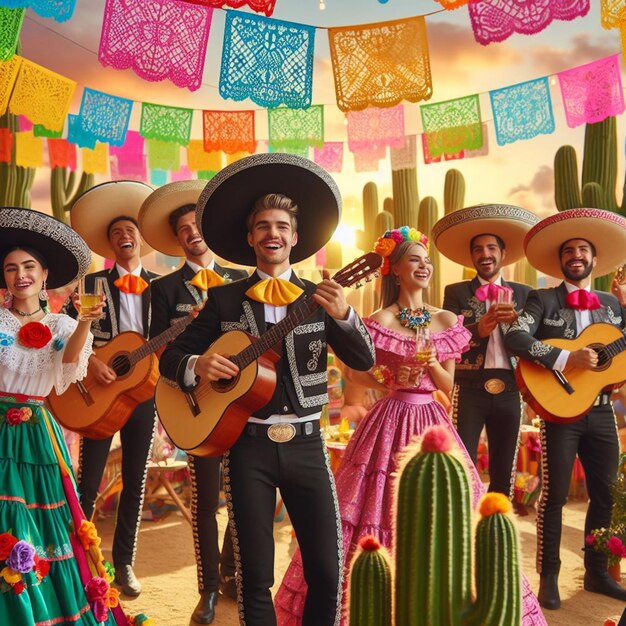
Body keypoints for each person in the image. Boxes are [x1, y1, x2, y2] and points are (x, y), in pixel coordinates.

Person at [275, 226, 547, 626]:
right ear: (395, 269)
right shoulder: (379, 319)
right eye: (414, 259)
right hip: (389, 419)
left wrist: (430, 363)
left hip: (433, 423)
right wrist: (388, 379)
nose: (424, 266)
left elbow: (452, 385)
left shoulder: (447, 318)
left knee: (446, 510)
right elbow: (353, 373)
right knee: (376, 507)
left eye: (427, 260)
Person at [159, 153, 376, 626]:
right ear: (250, 238)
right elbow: (169, 360)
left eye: (281, 225)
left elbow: (365, 360)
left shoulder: (320, 298)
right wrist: (199, 363)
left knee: (326, 566)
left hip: (306, 444)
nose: (272, 234)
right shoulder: (223, 298)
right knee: (253, 575)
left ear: (296, 238)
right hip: (246, 445)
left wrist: (345, 315)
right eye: (262, 226)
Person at [0, 207, 126, 625]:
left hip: (36, 432)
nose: (21, 275)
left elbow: (69, 364)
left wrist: (85, 324)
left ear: (44, 274)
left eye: (29, 266)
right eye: (11, 268)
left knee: (40, 519)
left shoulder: (59, 324)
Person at [504, 208, 626, 610]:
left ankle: (597, 571)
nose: (576, 255)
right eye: (569, 250)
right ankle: (549, 577)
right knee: (554, 495)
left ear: (594, 259)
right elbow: (516, 336)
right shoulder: (543, 298)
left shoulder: (611, 303)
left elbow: (618, 353)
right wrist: (563, 359)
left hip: (603, 412)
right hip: (560, 413)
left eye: (583, 249)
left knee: (606, 495)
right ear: (562, 260)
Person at [139, 180, 247, 624]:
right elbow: (161, 355)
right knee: (204, 499)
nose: (191, 233)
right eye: (182, 229)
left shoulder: (244, 279)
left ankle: (231, 572)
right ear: (177, 239)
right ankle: (205, 590)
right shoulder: (162, 290)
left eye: (195, 224)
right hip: (195, 405)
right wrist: (194, 366)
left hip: (242, 403)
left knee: (245, 494)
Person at [66, 180, 157, 598]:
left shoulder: (164, 287)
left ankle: (124, 563)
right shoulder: (88, 287)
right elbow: (66, 339)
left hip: (144, 396)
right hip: (97, 397)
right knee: (89, 479)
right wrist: (94, 363)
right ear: (110, 243)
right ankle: (81, 559)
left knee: (136, 480)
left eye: (131, 230)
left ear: (142, 239)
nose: (125, 236)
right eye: (117, 232)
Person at [432, 204, 539, 496]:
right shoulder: (456, 292)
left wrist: (519, 326)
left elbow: (534, 342)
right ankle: (465, 528)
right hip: (469, 388)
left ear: (503, 254)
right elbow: (446, 339)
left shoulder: (526, 293)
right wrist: (479, 329)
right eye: (478, 249)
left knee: (504, 469)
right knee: (462, 464)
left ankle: (497, 528)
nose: (485, 254)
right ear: (472, 257)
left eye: (491, 248)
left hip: (511, 389)